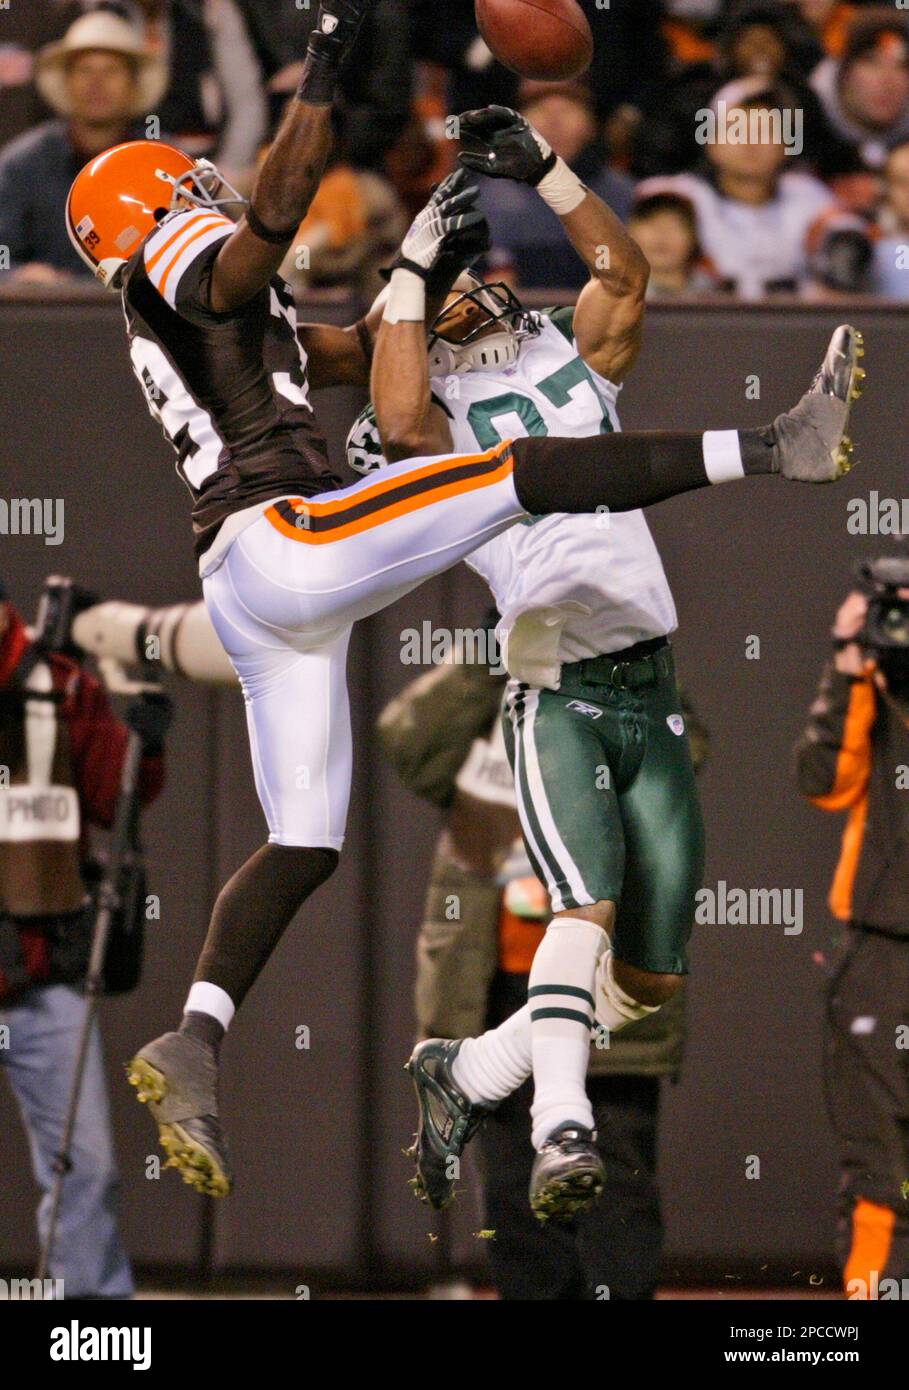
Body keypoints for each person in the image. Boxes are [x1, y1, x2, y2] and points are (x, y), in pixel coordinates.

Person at [64, 0, 862, 1201]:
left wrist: (479, 222)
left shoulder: (239, 312)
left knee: (304, 843)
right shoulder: (180, 263)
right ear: (157, 203)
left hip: (271, 597)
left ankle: (197, 1040)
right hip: (280, 539)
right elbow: (273, 233)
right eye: (191, 183)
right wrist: (330, 76)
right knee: (514, 479)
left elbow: (337, 329)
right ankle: (773, 445)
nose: (212, 189)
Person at [348, 101, 865, 1220]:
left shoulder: (561, 352)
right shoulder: (440, 413)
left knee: (644, 977)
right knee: (580, 907)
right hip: (560, 690)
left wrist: (548, 168)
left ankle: (474, 1070)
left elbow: (624, 276)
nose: (478, 288)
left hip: (653, 684)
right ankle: (558, 1129)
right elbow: (391, 419)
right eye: (452, 289)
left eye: (476, 275)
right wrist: (405, 267)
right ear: (422, 323)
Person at [379, 650, 708, 1299]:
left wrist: (604, 684)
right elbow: (406, 744)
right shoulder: (483, 689)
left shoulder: (629, 665)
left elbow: (683, 754)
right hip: (491, 987)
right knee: (513, 1197)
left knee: (614, 1191)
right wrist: (480, 663)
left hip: (604, 988)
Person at [0, 576, 165, 1297]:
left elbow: (113, 795)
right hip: (38, 971)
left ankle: (90, 1329)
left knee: (85, 1167)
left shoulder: (61, 684)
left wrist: (141, 731)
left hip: (40, 971)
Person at [793, 560, 909, 1294]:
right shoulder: (877, 679)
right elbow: (824, 781)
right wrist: (850, 658)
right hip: (881, 950)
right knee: (879, 1162)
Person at [0, 9, 167, 285]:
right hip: (47, 321)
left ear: (134, 85)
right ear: (67, 83)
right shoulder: (22, 165)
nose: (96, 82)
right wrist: (19, 275)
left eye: (111, 70)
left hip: (147, 321)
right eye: (85, 70)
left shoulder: (164, 164)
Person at [640, 78, 841, 298]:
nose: (751, 143)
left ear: (787, 145)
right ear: (711, 142)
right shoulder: (673, 198)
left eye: (765, 130)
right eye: (737, 129)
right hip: (701, 325)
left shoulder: (810, 197)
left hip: (793, 326)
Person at [476, 83, 636, 291]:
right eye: (541, 110)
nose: (554, 123)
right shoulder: (488, 199)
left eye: (567, 111)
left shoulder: (625, 195)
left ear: (591, 125)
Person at [626, 191, 721, 298]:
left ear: (693, 238)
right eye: (651, 223)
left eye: (675, 225)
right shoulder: (613, 295)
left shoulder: (715, 295)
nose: (662, 233)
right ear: (630, 231)